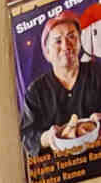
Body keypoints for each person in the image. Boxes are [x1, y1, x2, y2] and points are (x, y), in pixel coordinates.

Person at [19, 12, 101, 156]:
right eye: (58, 41)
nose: (66, 45)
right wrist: (48, 137)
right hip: (61, 167)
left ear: (80, 42)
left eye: (72, 37)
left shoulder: (98, 72)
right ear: (47, 52)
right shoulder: (36, 92)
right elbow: (27, 137)